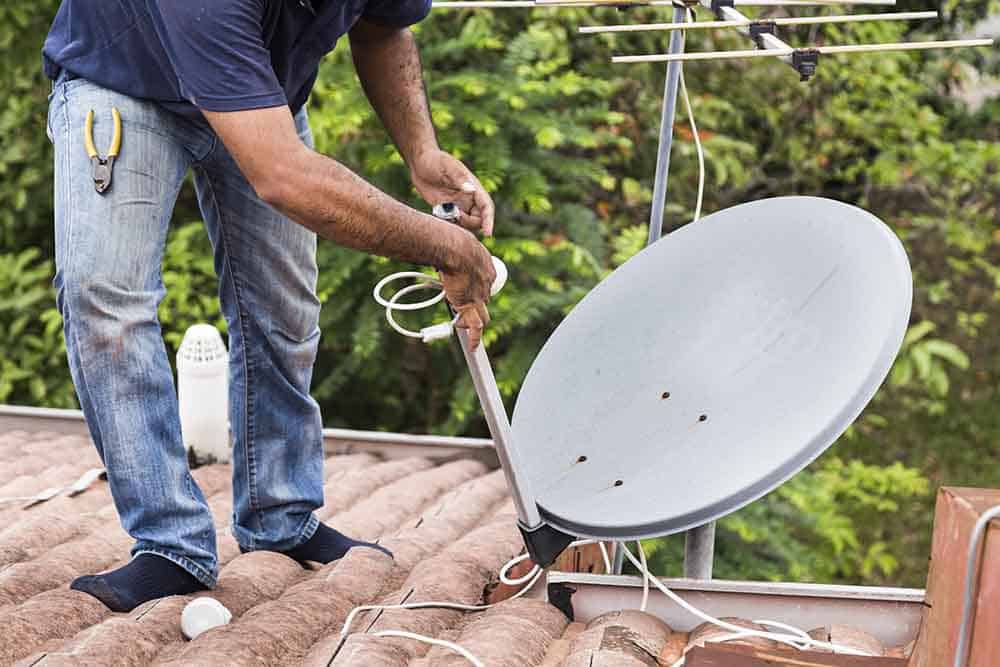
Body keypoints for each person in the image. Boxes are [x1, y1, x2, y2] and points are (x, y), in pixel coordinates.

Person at [42, 0, 497, 613]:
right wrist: (444, 244)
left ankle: (282, 515)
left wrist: (423, 153)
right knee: (107, 304)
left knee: (283, 311)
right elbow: (282, 175)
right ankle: (169, 544)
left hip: (256, 97)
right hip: (126, 80)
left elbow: (383, 27)